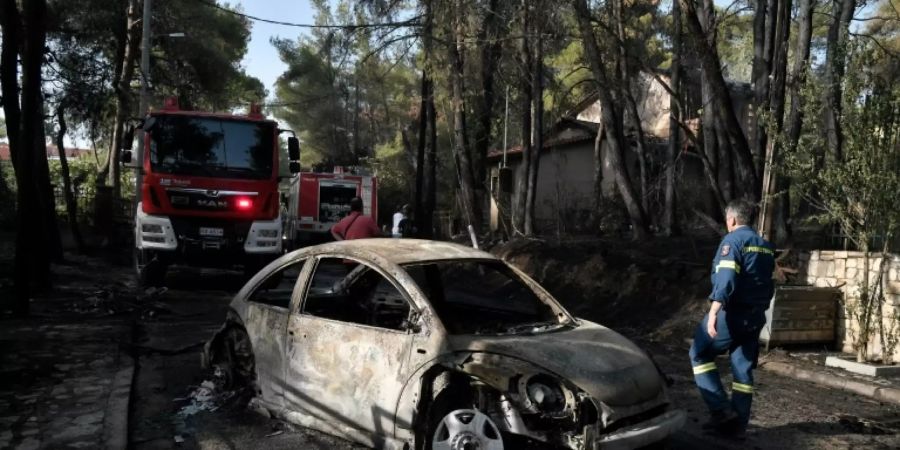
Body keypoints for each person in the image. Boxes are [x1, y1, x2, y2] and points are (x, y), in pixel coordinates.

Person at [689, 199, 775, 440]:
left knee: (699, 353)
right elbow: (769, 283)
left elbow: (726, 279)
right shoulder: (766, 246)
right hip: (755, 317)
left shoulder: (732, 241)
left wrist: (714, 312)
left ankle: (720, 411)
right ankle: (737, 428)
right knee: (742, 372)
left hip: (732, 314)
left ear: (732, 219)